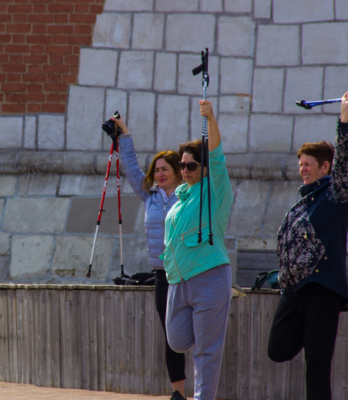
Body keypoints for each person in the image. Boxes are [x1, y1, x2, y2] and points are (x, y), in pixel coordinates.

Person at [267, 92, 348, 400]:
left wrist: (344, 120)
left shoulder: (336, 196)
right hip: (294, 291)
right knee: (277, 349)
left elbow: (347, 163)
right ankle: (313, 332)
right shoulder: (302, 203)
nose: (303, 169)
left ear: (325, 167)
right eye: (300, 164)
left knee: (317, 365)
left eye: (309, 164)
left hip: (322, 290)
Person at [161, 100, 233, 400]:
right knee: (177, 341)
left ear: (203, 168)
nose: (185, 170)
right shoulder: (180, 200)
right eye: (182, 165)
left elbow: (216, 156)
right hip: (179, 281)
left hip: (209, 277)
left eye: (191, 165)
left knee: (206, 351)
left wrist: (211, 119)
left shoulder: (214, 191)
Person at [111, 115, 187, 399]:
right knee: (170, 335)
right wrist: (124, 135)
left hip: (188, 274)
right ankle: (177, 393)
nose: (160, 174)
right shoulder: (150, 197)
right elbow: (131, 168)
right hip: (161, 275)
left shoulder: (188, 196)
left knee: (192, 332)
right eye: (156, 170)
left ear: (179, 172)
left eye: (165, 169)